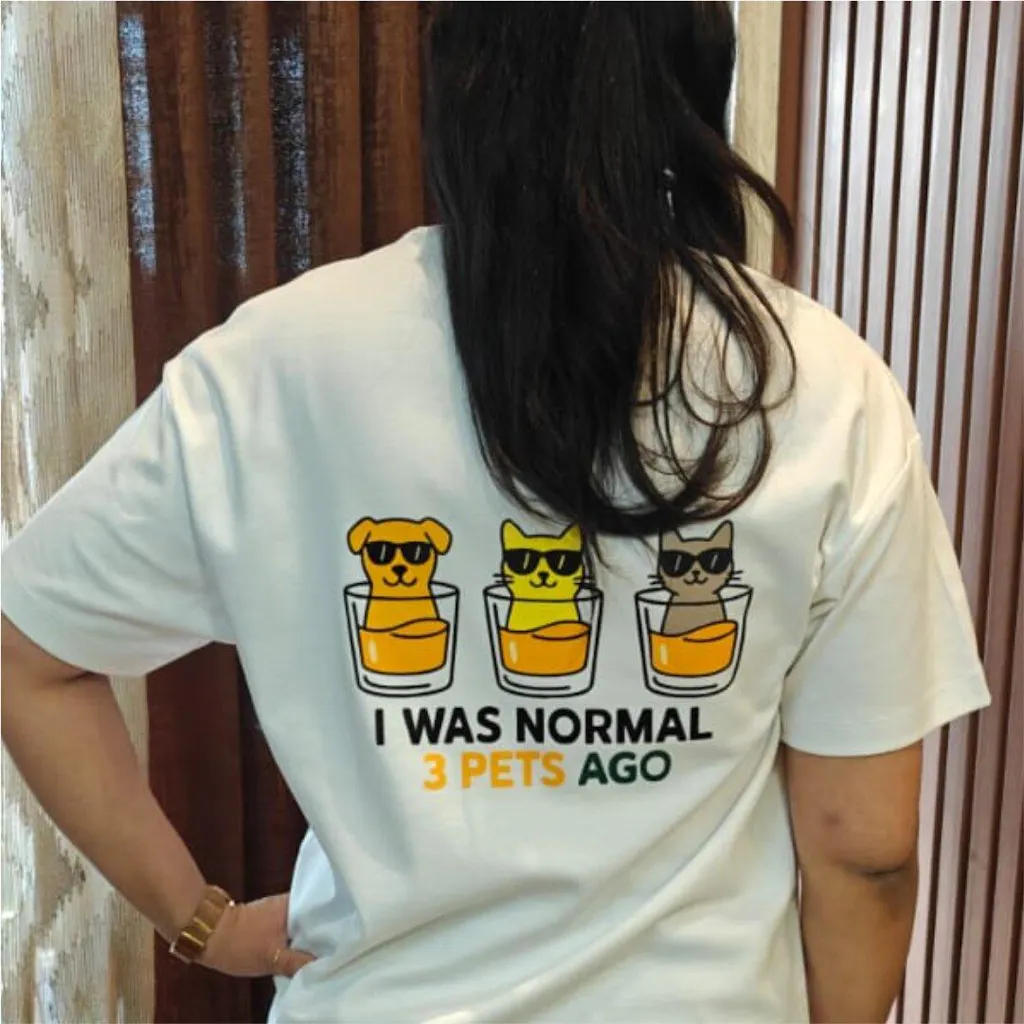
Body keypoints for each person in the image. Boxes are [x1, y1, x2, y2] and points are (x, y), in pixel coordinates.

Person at [1, 5, 989, 1022]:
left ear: (457, 79)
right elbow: (864, 852)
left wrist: (200, 920)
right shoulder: (820, 385)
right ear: (698, 77)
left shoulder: (273, 364)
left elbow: (29, 652)